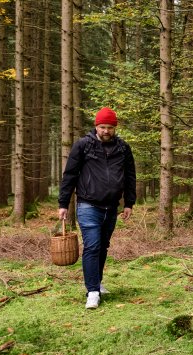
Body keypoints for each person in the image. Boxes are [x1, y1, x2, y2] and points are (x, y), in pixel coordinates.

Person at [58, 107, 136, 309]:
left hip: (111, 207)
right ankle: (92, 291)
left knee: (102, 246)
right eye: (102, 127)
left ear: (115, 128)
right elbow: (70, 175)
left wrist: (129, 203)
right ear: (96, 126)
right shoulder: (83, 146)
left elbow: (130, 177)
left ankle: (97, 283)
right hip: (87, 204)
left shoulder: (123, 148)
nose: (106, 131)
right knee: (92, 246)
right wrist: (63, 204)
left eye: (110, 127)